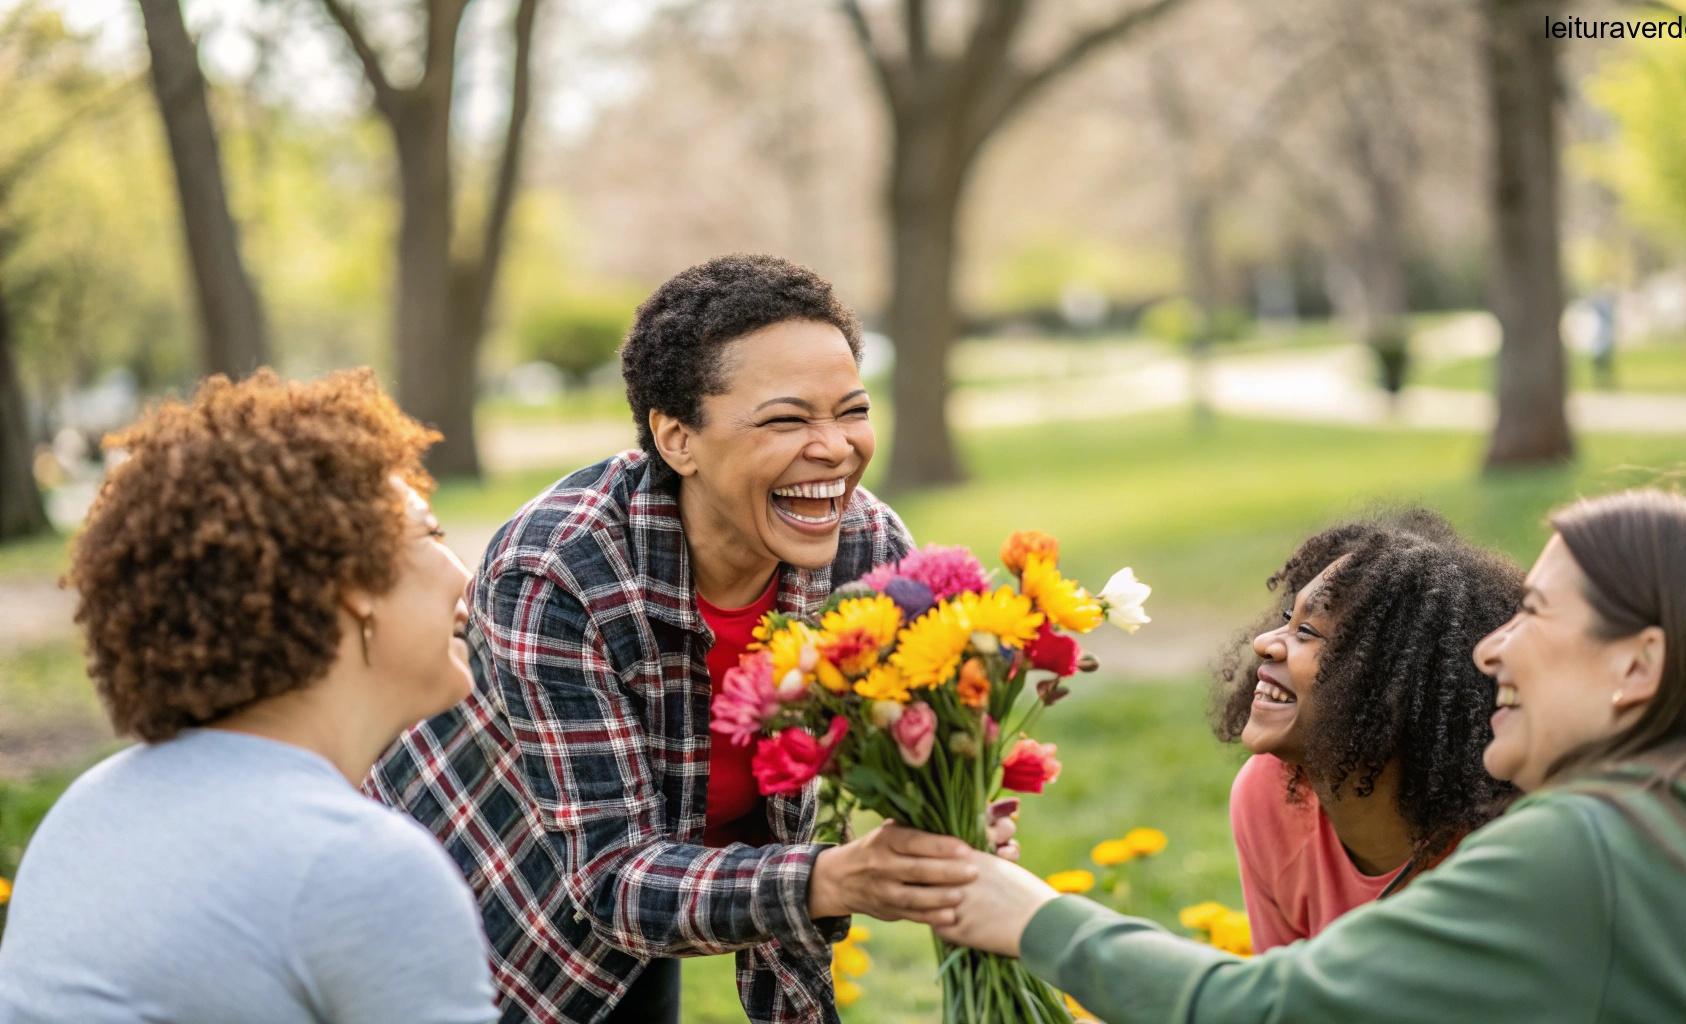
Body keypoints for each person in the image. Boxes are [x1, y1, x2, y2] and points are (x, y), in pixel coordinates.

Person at [367, 254, 1008, 1024]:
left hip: (676, 893)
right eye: (787, 418)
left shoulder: (866, 551)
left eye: (852, 410)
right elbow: (611, 881)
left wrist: (954, 808)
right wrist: (833, 879)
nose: (835, 448)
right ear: (677, 439)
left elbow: (904, 749)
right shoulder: (558, 572)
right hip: (495, 923)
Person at [934, 487, 1686, 1022]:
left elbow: (1277, 1011)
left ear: (1641, 666)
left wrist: (1029, 913)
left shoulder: (1588, 844)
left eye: (1537, 614)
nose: (1490, 650)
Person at [0, 370, 496, 1023]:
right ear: (352, 585)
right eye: (429, 534)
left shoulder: (88, 809)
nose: (463, 572)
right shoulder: (359, 868)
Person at [1217, 510, 1520, 949]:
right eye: (1287, 617)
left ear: (1390, 686)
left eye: (1305, 631)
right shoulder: (1267, 796)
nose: (1265, 642)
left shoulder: (1498, 848)